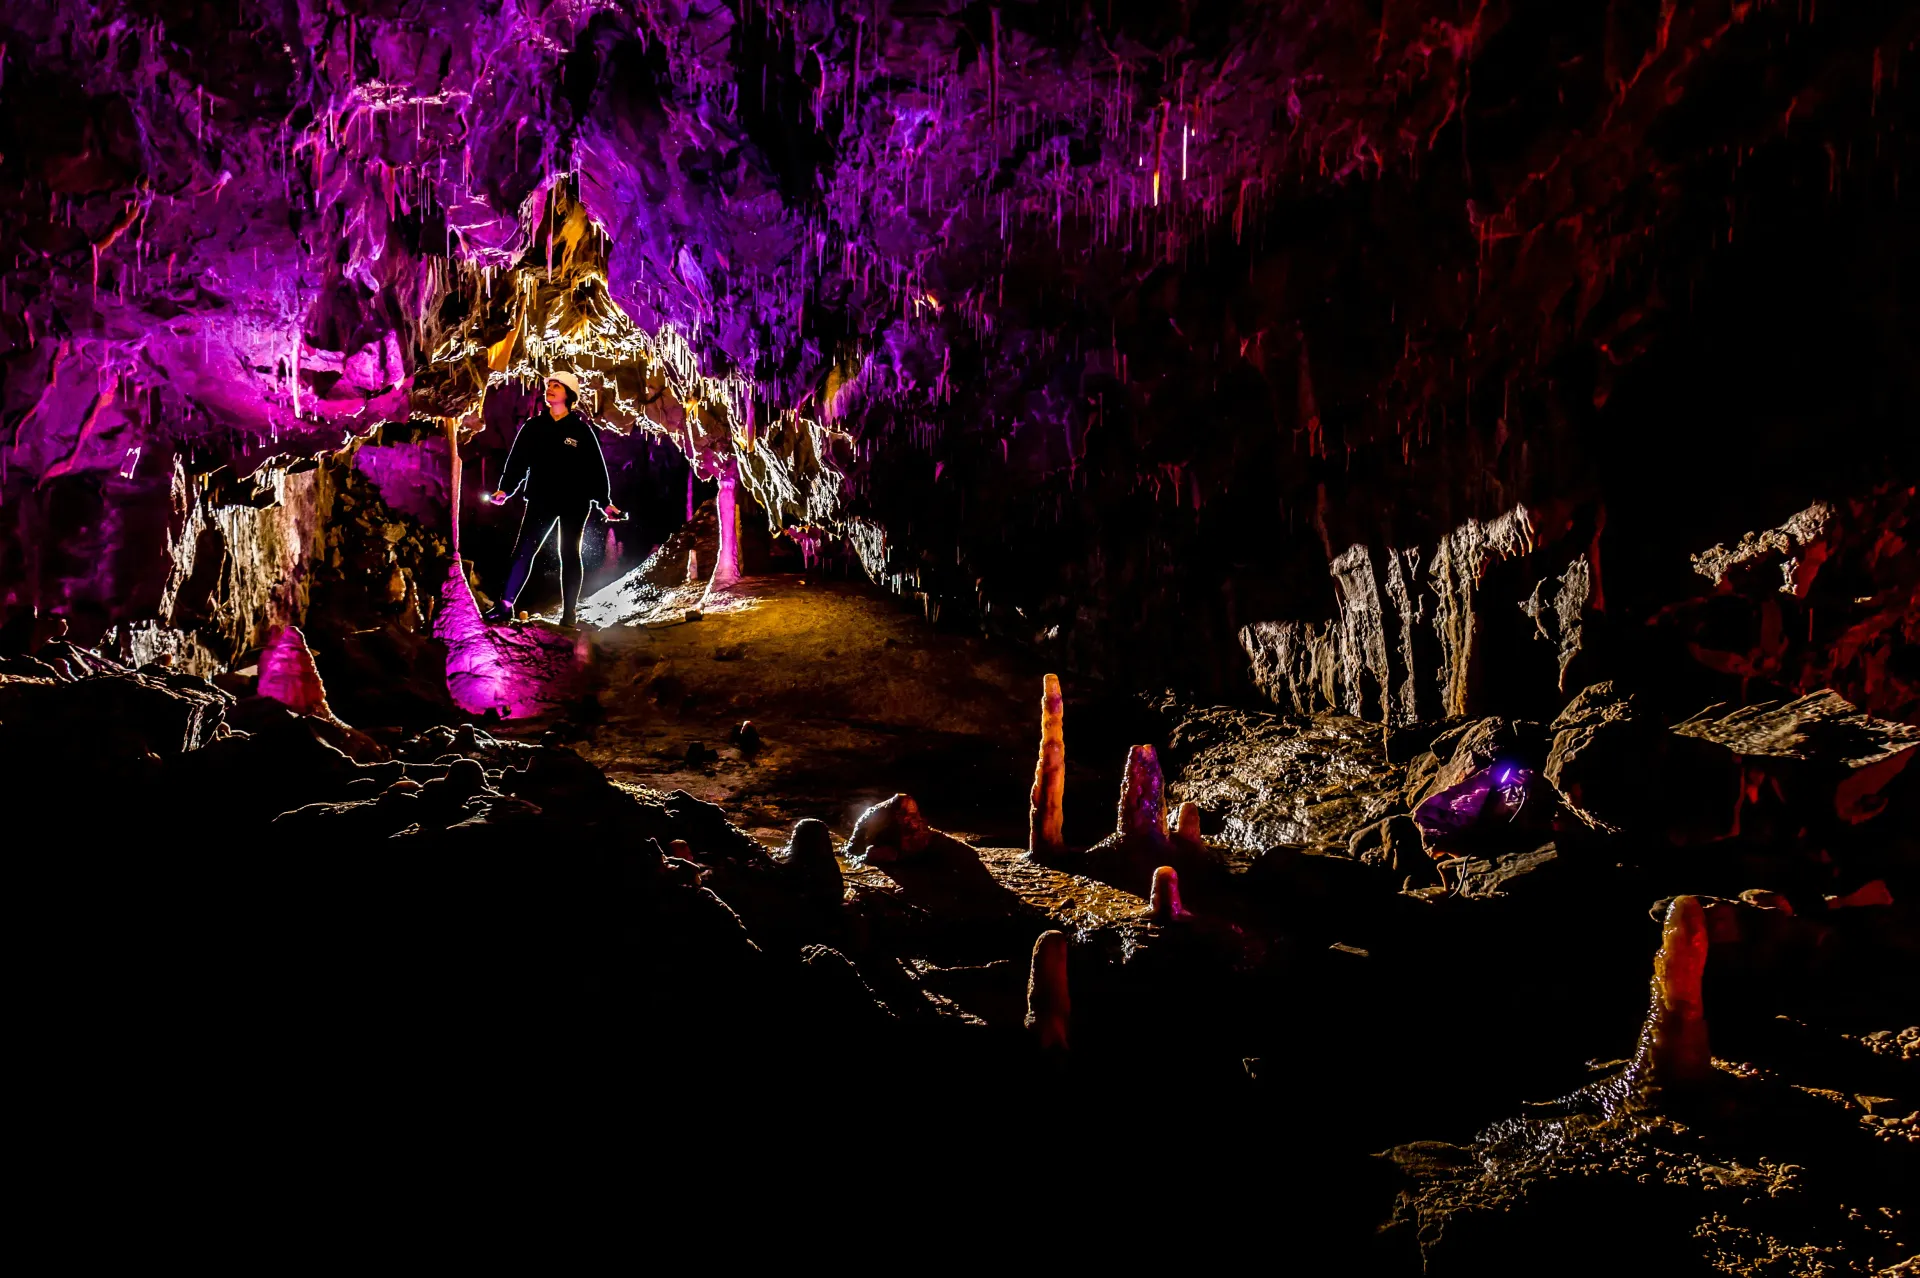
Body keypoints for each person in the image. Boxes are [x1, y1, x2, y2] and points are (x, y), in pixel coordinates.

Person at [483, 371, 623, 627]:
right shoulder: (533, 427)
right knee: (524, 550)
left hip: (575, 502)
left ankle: (569, 614)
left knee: (569, 553)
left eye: (557, 386)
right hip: (541, 498)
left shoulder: (581, 430)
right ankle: (505, 605)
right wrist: (506, 488)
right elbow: (517, 461)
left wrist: (604, 501)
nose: (550, 389)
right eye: (549, 385)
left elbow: (594, 468)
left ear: (569, 395)